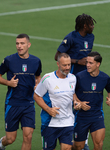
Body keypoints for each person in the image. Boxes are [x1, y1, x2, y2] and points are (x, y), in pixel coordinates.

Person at [54, 13, 96, 150]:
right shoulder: (71, 37)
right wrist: (77, 61)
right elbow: (58, 56)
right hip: (70, 79)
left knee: (85, 107)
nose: (93, 26)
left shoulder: (91, 37)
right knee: (70, 108)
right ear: (84, 26)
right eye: (91, 24)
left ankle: (84, 143)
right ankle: (68, 138)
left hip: (85, 78)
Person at [0, 33, 42, 150]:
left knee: (28, 136)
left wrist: (37, 85)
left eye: (22, 43)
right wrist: (8, 83)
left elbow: (38, 77)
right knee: (10, 139)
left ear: (28, 45)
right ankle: (2, 143)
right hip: (13, 103)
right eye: (17, 43)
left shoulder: (36, 61)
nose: (19, 46)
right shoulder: (9, 60)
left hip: (29, 104)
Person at [34, 53, 81, 150]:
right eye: (64, 65)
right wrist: (48, 109)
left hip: (68, 121)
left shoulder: (73, 78)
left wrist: (76, 102)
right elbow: (37, 96)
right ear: (58, 64)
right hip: (50, 123)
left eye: (69, 65)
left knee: (67, 148)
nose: (67, 67)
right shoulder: (48, 79)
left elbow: (72, 94)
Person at [72, 51, 110, 150]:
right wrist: (78, 102)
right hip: (81, 116)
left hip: (97, 115)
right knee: (78, 146)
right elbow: (71, 92)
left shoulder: (105, 78)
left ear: (98, 64)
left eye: (90, 63)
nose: (87, 65)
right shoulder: (79, 77)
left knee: (98, 145)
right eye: (87, 62)